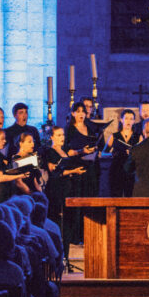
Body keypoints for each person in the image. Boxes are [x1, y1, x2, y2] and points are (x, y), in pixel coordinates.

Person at [64, 103, 101, 245]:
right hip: (76, 168)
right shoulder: (69, 129)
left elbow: (97, 143)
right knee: (78, 201)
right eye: (78, 111)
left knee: (90, 200)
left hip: (90, 167)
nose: (81, 114)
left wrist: (94, 149)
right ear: (73, 113)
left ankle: (88, 234)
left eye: (83, 112)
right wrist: (81, 152)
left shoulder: (90, 128)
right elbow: (66, 151)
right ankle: (76, 236)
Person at [107, 109, 140, 197]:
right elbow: (103, 153)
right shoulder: (114, 136)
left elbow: (142, 153)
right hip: (116, 168)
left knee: (130, 195)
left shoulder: (138, 136)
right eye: (126, 118)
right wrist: (115, 154)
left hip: (131, 170)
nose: (128, 121)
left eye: (131, 119)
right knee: (116, 195)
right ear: (121, 120)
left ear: (134, 121)